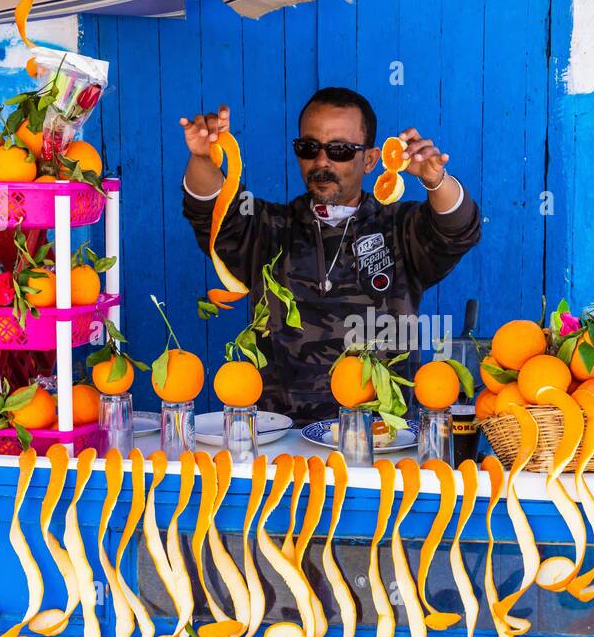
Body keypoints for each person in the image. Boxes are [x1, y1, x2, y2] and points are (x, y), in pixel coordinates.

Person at [180, 88, 481, 423]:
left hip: (384, 439)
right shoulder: (270, 227)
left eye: (339, 150)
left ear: (369, 160)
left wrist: (436, 181)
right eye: (309, 147)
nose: (321, 161)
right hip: (281, 441)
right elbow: (211, 213)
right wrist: (204, 159)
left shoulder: (398, 227)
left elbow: (457, 229)